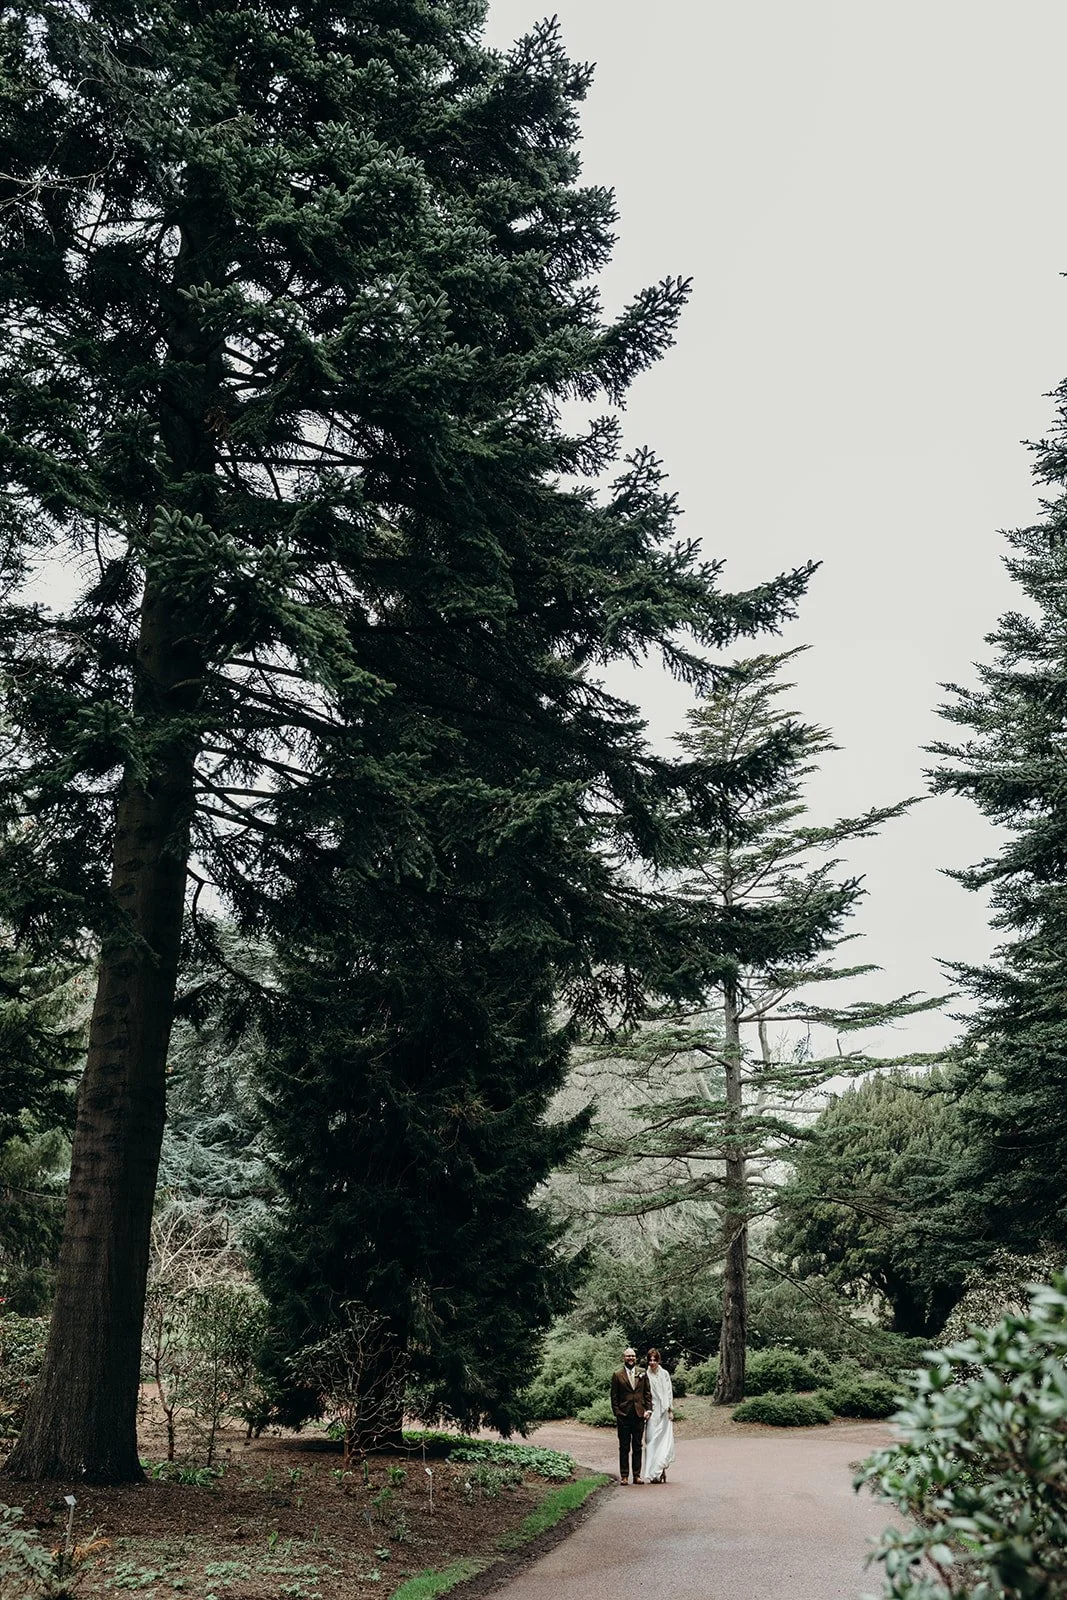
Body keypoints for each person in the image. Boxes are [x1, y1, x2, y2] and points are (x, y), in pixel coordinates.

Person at [610, 1346, 652, 1485]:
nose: (631, 1358)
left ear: (636, 1358)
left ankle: (637, 1475)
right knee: (624, 1447)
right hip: (624, 1415)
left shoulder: (642, 1373)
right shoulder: (617, 1375)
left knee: (638, 1446)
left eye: (633, 1356)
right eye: (628, 1356)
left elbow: (647, 1393)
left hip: (639, 1414)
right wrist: (617, 1412)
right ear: (624, 1358)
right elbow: (614, 1396)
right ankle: (624, 1476)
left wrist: (648, 1409)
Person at [641, 1347, 676, 1483]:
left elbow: (668, 1392)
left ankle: (661, 1471)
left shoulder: (665, 1374)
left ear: (658, 1360)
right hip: (652, 1411)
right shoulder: (645, 1375)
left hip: (664, 1411)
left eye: (654, 1360)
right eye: (650, 1360)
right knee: (651, 1441)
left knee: (663, 1441)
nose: (652, 1363)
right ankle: (652, 1472)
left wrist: (670, 1410)